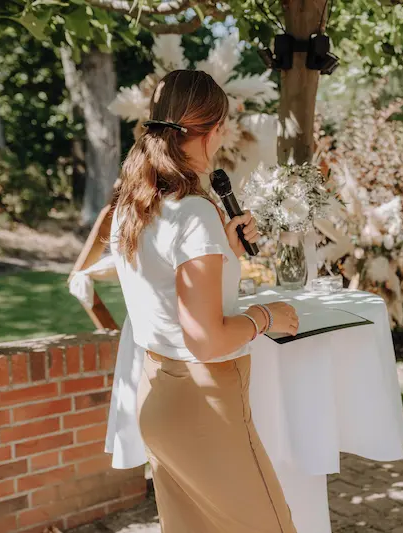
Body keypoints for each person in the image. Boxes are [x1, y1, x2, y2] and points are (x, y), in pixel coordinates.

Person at [107, 70, 298, 532]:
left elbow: (164, 284)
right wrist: (266, 316)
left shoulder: (133, 206)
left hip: (159, 399)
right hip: (206, 408)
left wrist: (223, 252)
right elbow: (206, 341)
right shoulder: (194, 212)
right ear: (216, 129)